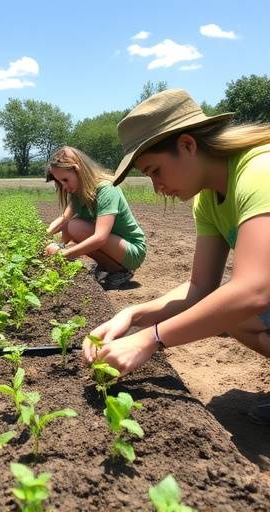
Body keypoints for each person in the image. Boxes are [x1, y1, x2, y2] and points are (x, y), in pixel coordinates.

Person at [82, 89, 270, 425]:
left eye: (155, 170)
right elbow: (200, 287)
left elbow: (254, 289)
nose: (157, 186)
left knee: (240, 306)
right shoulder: (209, 199)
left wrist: (150, 339)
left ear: (187, 145)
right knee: (233, 316)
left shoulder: (259, 171)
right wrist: (133, 314)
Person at [45, 146, 146, 289]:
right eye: (60, 182)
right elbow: (63, 219)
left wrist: (64, 254)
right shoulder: (78, 194)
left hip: (132, 249)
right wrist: (46, 237)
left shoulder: (106, 189)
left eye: (65, 179)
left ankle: (120, 270)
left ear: (78, 170)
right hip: (115, 245)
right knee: (71, 225)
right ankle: (109, 267)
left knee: (75, 227)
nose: (64, 187)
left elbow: (100, 238)